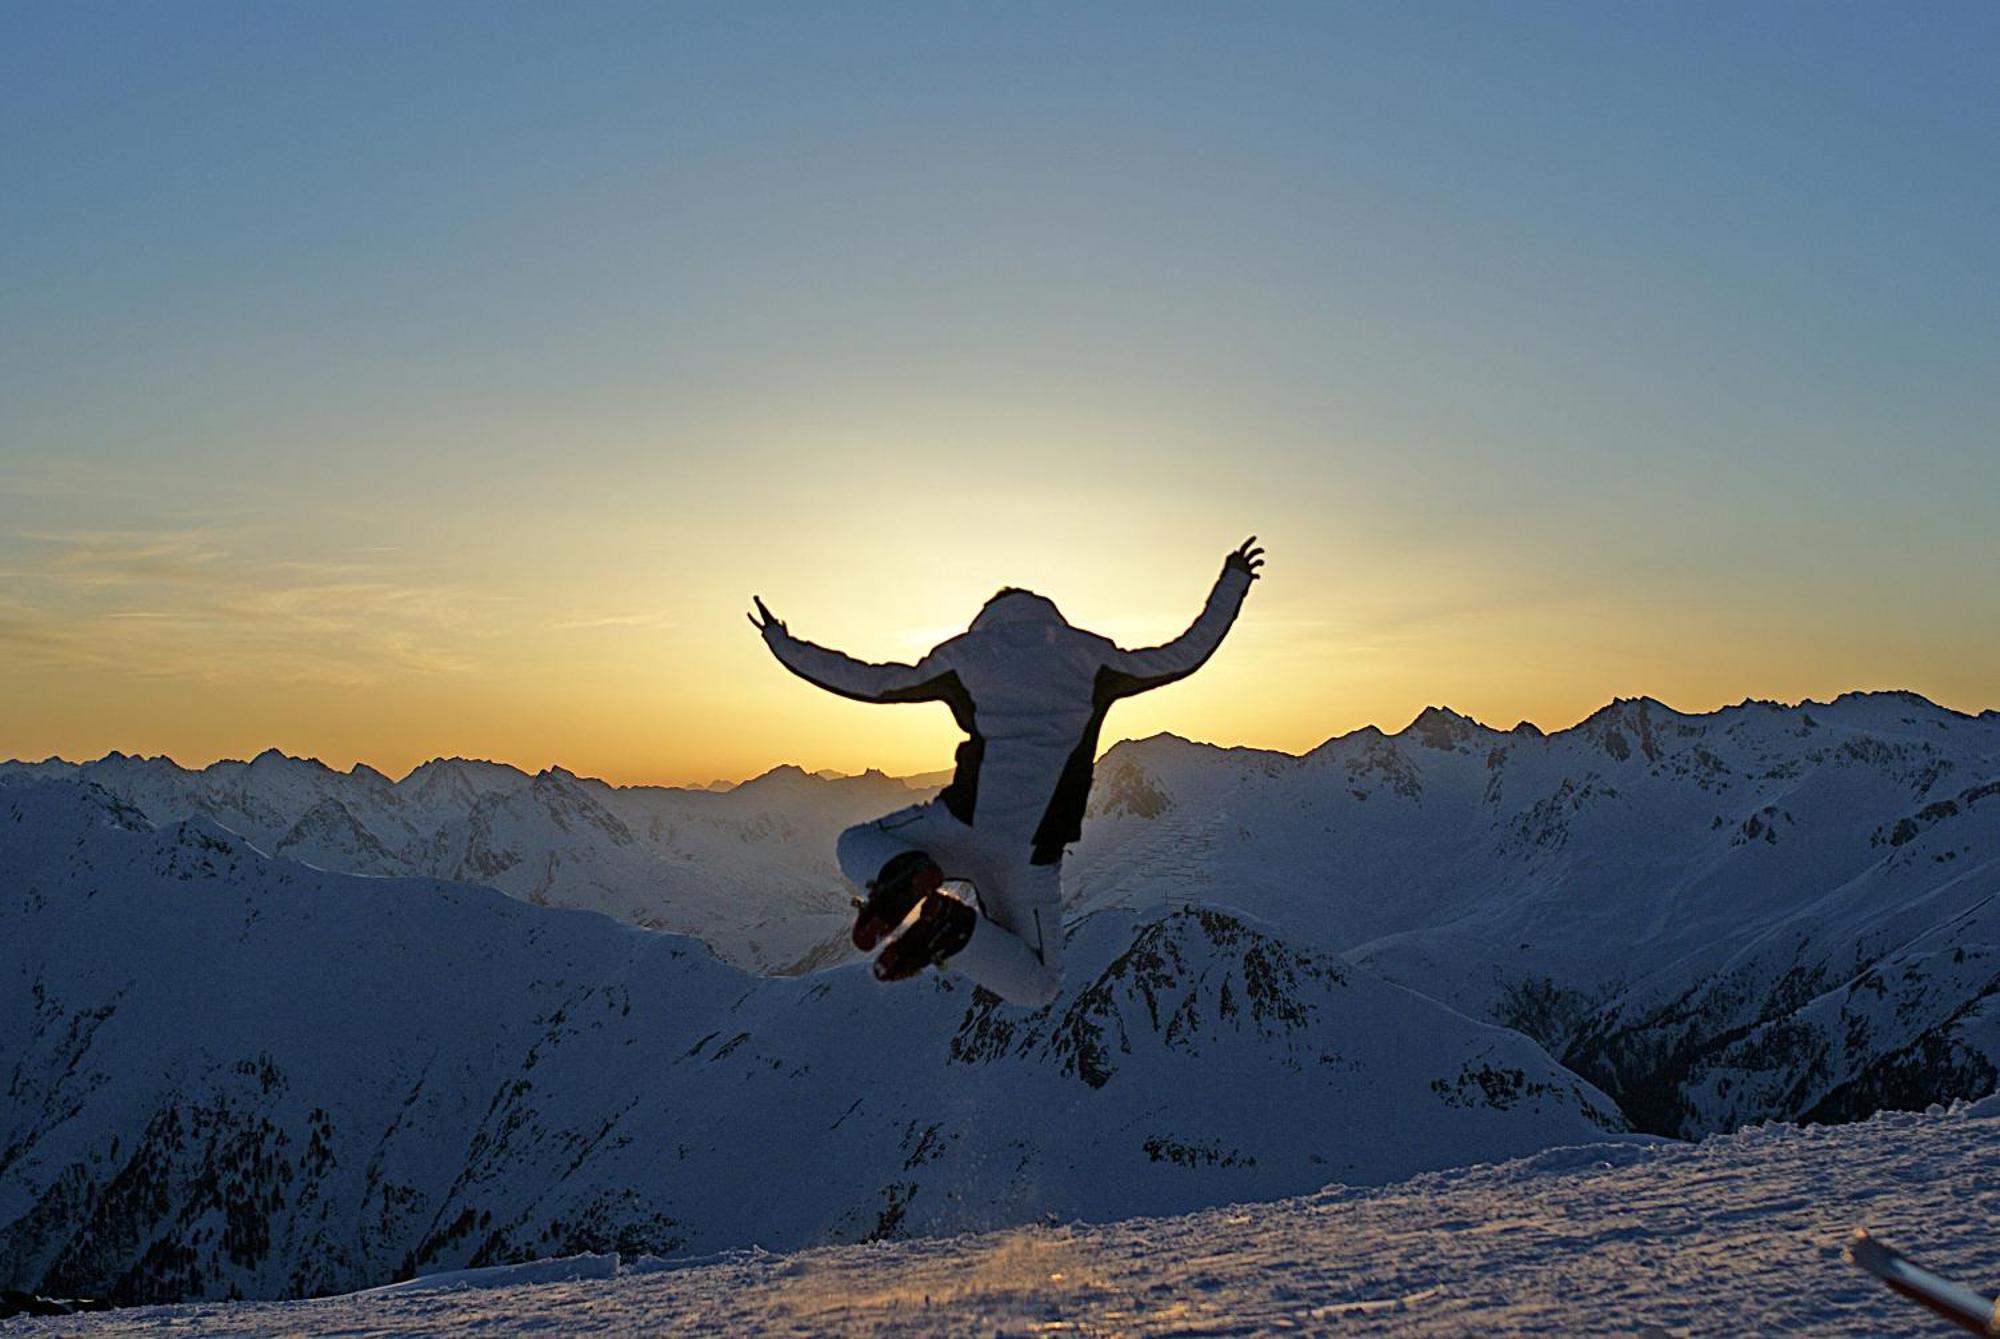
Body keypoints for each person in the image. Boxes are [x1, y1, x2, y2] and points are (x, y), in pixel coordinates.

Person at [749, 537, 1264, 1006]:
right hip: (1029, 858)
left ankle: (899, 873)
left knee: (855, 843)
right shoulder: (1092, 659)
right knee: (1039, 987)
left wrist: (781, 643)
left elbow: (872, 682)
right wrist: (1232, 582)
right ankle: (953, 933)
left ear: (987, 620)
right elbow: (1183, 654)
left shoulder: (967, 657)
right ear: (1051, 618)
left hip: (957, 825)